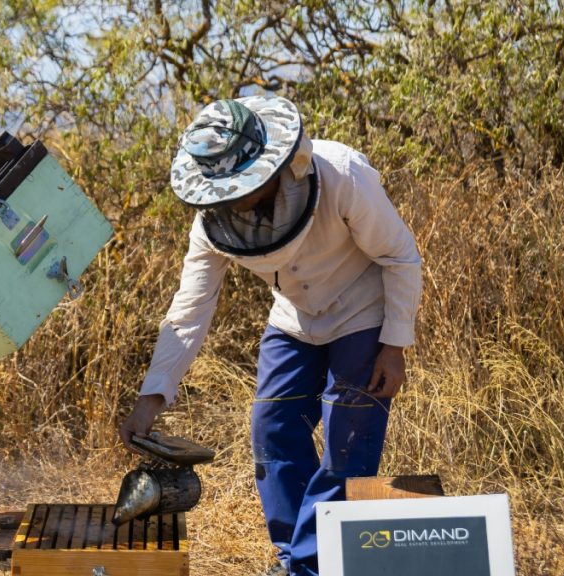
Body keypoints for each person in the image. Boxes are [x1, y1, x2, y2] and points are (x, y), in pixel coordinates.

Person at [118, 96, 422, 576]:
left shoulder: (341, 174)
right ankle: (297, 557)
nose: (229, 201)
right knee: (272, 432)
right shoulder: (212, 223)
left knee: (348, 442)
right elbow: (190, 307)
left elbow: (401, 256)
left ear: (268, 166)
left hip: (363, 310)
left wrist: (394, 345)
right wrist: (151, 397)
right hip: (294, 318)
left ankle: (308, 564)